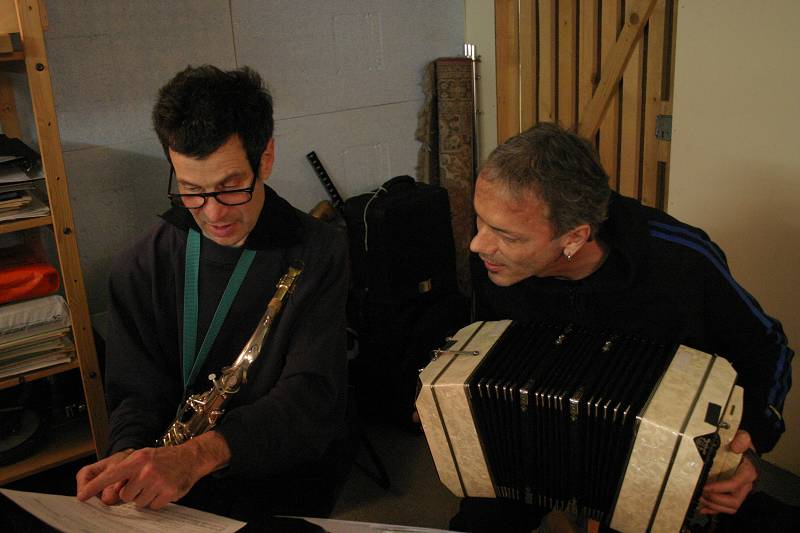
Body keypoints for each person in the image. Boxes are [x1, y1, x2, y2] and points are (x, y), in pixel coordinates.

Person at [451, 122, 793, 532]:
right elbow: (483, 337)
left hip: (648, 451)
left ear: (574, 237)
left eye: (505, 234)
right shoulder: (494, 259)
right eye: (480, 221)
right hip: (532, 435)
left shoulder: (680, 262)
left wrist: (750, 441)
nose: (478, 244)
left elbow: (767, 347)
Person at [75, 65, 349, 523]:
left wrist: (198, 456)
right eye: (191, 190)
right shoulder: (139, 265)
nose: (213, 213)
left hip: (282, 471)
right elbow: (134, 396)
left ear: (265, 159)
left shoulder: (319, 249)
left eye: (230, 187)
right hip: (168, 481)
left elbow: (312, 397)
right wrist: (128, 460)